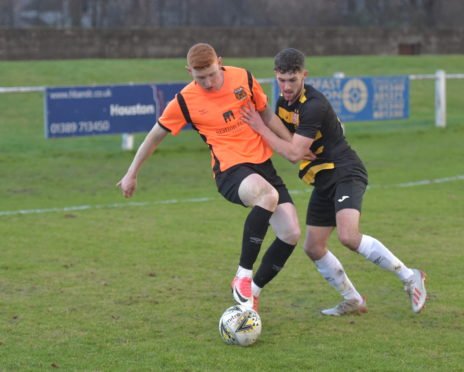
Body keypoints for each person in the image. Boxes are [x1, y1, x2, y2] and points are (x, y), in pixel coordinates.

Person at [117, 43, 306, 312]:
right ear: (189, 71)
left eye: (211, 74)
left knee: (291, 233)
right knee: (268, 196)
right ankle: (242, 275)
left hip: (263, 166)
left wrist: (293, 144)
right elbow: (155, 135)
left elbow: (266, 114)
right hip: (230, 171)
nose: (207, 82)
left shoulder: (244, 78)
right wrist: (131, 173)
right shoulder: (185, 100)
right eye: (199, 77)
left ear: (220, 62)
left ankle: (252, 292)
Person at [241, 48, 427, 315]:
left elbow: (293, 154)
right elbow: (290, 143)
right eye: (281, 80)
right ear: (275, 77)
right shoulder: (283, 104)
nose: (287, 86)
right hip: (323, 178)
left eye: (292, 80)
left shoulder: (313, 104)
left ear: (304, 75)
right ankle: (353, 299)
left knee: (349, 236)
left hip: (345, 171)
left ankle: (411, 277)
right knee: (314, 247)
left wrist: (261, 129)